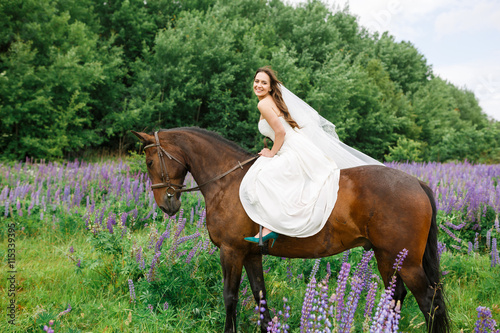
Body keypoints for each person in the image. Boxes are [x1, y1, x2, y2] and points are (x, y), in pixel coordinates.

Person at [240, 67, 383, 246]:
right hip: (296, 144)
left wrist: (271, 152)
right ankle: (270, 227)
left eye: (263, 83)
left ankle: (273, 227)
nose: (258, 85)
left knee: (262, 177)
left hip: (291, 148)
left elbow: (280, 132)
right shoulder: (271, 100)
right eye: (257, 81)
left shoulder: (263, 104)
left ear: (270, 87)